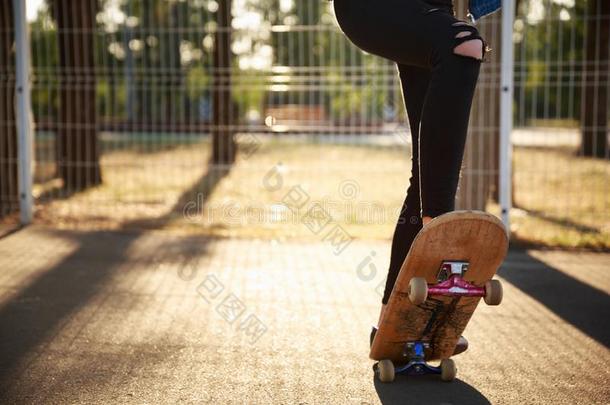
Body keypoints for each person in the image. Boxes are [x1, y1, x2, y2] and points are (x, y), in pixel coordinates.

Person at [332, 0, 493, 355]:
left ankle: (395, 323)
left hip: (430, 9)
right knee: (462, 45)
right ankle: (437, 221)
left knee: (423, 175)